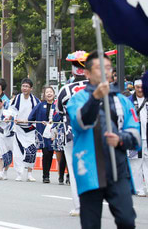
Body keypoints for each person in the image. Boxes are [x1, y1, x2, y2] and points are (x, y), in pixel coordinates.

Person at [67, 54, 139, 229]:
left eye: (108, 68)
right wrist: (95, 98)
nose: (106, 72)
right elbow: (81, 122)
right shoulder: (77, 99)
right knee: (90, 224)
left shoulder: (122, 100)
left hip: (117, 169)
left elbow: (135, 135)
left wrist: (120, 139)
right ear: (87, 73)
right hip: (90, 168)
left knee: (127, 220)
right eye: (100, 68)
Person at [57, 50, 91, 215]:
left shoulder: (65, 90)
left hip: (71, 133)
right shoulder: (96, 87)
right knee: (92, 167)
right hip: (93, 132)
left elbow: (59, 110)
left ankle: (79, 206)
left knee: (74, 168)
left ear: (73, 70)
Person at [29, 85, 62, 184]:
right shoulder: (40, 105)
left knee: (52, 154)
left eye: (50, 92)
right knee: (46, 153)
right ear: (44, 94)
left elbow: (61, 117)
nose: (49, 93)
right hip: (43, 134)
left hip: (54, 133)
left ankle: (60, 176)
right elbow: (31, 117)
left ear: (54, 93)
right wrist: (38, 123)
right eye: (47, 92)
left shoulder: (57, 105)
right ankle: (45, 176)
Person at [10, 78, 39, 182]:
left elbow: (38, 113)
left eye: (27, 86)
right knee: (18, 153)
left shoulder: (35, 100)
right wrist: (14, 117)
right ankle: (19, 173)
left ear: (31, 88)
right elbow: (12, 110)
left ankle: (30, 173)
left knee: (31, 151)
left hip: (30, 129)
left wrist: (30, 121)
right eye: (23, 86)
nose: (24, 88)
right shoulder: (17, 98)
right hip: (18, 129)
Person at [129, 79, 148, 196]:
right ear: (134, 87)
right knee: (136, 162)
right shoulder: (129, 100)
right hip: (136, 135)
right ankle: (138, 188)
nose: (140, 90)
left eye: (142, 87)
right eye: (138, 87)